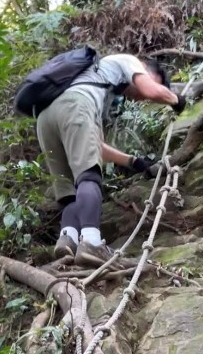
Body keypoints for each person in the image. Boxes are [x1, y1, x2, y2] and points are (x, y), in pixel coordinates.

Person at [36, 54, 186, 267]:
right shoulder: (129, 61)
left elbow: (95, 145)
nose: (145, 99)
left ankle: (67, 240)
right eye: (154, 81)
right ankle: (92, 243)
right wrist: (176, 100)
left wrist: (133, 162)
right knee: (89, 176)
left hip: (46, 117)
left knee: (69, 189)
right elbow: (151, 90)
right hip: (75, 107)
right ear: (145, 69)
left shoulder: (96, 82)